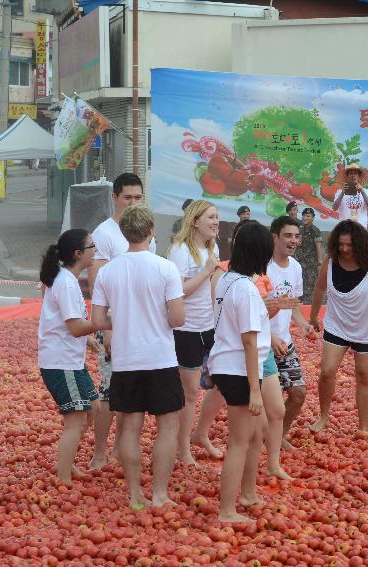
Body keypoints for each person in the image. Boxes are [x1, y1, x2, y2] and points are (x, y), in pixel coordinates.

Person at [90, 205, 185, 510]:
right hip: (160, 358)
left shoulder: (107, 271)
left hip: (126, 360)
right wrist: (154, 318)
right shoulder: (165, 268)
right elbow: (178, 318)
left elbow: (97, 321)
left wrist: (125, 319)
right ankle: (159, 493)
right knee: (167, 428)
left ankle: (134, 494)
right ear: (151, 231)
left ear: (123, 232)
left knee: (129, 428)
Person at [87, 173, 157, 470]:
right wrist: (108, 328)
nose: (132, 203)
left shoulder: (146, 234)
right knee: (108, 389)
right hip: (116, 324)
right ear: (114, 198)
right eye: (127, 197)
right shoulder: (103, 234)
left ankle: (120, 448)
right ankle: (100, 451)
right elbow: (96, 282)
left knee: (134, 390)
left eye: (138, 198)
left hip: (143, 327)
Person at [207, 222, 273, 523]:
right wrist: (256, 390)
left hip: (228, 364)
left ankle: (247, 492)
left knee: (255, 433)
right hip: (238, 369)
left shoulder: (227, 280)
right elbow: (249, 339)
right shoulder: (245, 289)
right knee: (239, 441)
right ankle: (227, 510)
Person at [308, 220, 368, 436]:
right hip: (337, 325)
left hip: (367, 329)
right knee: (327, 371)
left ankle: (363, 427)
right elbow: (319, 289)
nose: (344, 249)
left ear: (359, 244)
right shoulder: (330, 260)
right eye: (340, 245)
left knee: (364, 375)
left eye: (349, 245)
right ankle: (324, 416)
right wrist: (313, 317)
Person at [38, 229, 100, 483]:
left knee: (92, 409)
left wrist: (90, 339)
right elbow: (75, 327)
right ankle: (63, 476)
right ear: (78, 254)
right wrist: (106, 321)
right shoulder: (65, 282)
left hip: (70, 361)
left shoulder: (68, 280)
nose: (95, 250)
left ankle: (68, 463)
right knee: (75, 421)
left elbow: (73, 324)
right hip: (61, 363)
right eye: (91, 246)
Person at [168, 200, 220, 466]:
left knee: (220, 381)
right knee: (189, 393)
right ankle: (183, 449)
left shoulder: (212, 249)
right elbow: (177, 292)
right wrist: (208, 270)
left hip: (208, 327)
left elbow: (212, 289)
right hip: (186, 329)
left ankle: (200, 434)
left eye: (217, 217)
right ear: (195, 221)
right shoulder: (181, 250)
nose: (215, 222)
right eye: (210, 217)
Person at [267, 216, 314, 460]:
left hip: (285, 343)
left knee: (298, 394)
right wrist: (269, 335)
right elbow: (251, 308)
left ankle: (277, 435)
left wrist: (304, 324)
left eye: (296, 236)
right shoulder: (262, 266)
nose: (293, 241)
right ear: (275, 236)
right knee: (264, 401)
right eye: (288, 235)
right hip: (262, 343)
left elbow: (293, 304)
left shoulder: (295, 267)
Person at [332, 164, 368, 230]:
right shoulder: (339, 191)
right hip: (344, 228)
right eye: (350, 173)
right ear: (347, 176)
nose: (353, 175)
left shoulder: (367, 192)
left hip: (360, 229)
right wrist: (342, 193)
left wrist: (362, 192)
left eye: (356, 173)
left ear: (359, 177)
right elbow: (334, 208)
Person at [295, 207, 323, 304]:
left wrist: (320, 263)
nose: (305, 218)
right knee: (299, 284)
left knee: (310, 285)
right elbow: (295, 244)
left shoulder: (315, 230)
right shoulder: (299, 229)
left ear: (313, 218)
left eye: (308, 216)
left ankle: (308, 306)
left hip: (311, 264)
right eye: (304, 215)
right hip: (299, 262)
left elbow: (318, 246)